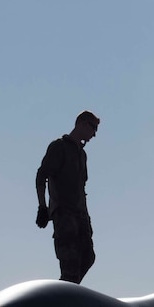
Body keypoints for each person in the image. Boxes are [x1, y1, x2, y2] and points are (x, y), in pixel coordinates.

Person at [36, 111, 100, 283]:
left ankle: (68, 291)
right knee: (70, 264)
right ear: (82, 124)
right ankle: (61, 298)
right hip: (64, 213)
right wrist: (43, 207)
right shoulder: (59, 147)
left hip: (80, 215)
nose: (94, 134)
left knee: (88, 257)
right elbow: (42, 176)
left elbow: (81, 187)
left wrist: (87, 218)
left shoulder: (82, 154)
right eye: (93, 128)